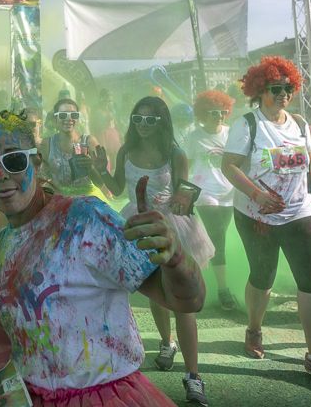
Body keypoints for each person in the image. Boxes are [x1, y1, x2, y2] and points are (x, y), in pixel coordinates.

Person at [0, 110, 206, 407]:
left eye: (14, 161)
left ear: (37, 162)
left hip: (108, 396)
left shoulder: (84, 219)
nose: (0, 175)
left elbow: (188, 300)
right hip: (30, 396)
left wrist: (177, 258)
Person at [221, 56, 311, 385]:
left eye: (288, 88)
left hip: (299, 212)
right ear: (259, 91)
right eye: (275, 88)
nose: (283, 94)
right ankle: (254, 328)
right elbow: (230, 166)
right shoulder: (248, 125)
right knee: (262, 278)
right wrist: (257, 195)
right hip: (257, 216)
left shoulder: (299, 123)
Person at [92, 96, 214, 405]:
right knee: (157, 292)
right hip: (136, 225)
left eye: (150, 119)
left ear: (162, 121)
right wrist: (98, 171)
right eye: (138, 119)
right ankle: (165, 342)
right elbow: (117, 188)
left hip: (172, 227)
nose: (143, 125)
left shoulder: (175, 153)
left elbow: (185, 193)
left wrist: (182, 201)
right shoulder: (126, 151)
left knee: (184, 302)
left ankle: (193, 375)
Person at [186, 90, 238, 310]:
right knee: (217, 237)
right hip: (204, 191)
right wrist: (181, 191)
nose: (219, 116)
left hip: (229, 192)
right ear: (202, 114)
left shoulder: (231, 133)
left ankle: (200, 272)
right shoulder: (192, 137)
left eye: (223, 112)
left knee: (217, 237)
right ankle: (222, 289)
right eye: (213, 113)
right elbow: (185, 166)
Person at [38, 98, 104, 198]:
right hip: (59, 200)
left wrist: (91, 168)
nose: (69, 119)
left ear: (78, 118)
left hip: (87, 200)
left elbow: (100, 183)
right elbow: (41, 179)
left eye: (74, 115)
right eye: (63, 115)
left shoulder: (89, 142)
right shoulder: (47, 144)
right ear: (55, 119)